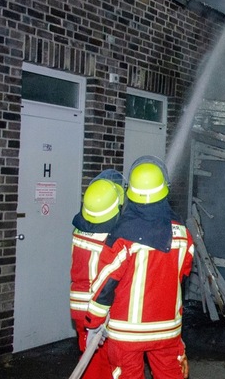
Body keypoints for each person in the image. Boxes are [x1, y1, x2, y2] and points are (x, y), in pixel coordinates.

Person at [85, 156, 194, 379]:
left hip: (126, 334)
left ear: (130, 193)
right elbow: (183, 273)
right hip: (167, 331)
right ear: (165, 190)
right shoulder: (182, 234)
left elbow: (104, 283)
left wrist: (93, 323)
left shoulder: (122, 237)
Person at [69, 169, 125, 379]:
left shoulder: (80, 228)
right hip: (98, 310)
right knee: (106, 367)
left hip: (80, 309)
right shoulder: (110, 239)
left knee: (92, 363)